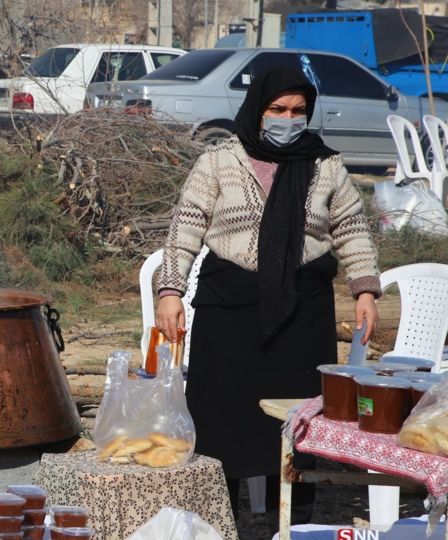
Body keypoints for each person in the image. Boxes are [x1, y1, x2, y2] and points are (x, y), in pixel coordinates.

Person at [155, 67, 381, 519]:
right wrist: (170, 290)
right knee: (222, 423)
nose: (288, 118)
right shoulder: (220, 160)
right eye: (277, 109)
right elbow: (184, 229)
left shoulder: (325, 165)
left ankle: (293, 524)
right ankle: (220, 523)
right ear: (257, 109)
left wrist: (365, 289)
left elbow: (351, 229)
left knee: (296, 425)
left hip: (303, 312)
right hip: (229, 309)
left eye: (298, 110)